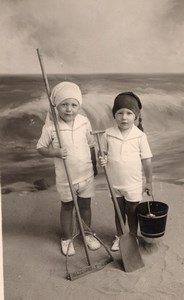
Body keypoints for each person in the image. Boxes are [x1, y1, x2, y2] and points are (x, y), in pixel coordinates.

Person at [37, 81, 101, 256]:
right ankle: (66, 238)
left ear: (79, 106)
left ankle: (87, 234)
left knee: (86, 206)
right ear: (56, 106)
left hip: (86, 174)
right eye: (64, 104)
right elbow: (40, 148)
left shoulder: (84, 122)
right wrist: (55, 152)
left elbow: (91, 144)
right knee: (67, 206)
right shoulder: (51, 126)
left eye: (74, 105)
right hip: (66, 177)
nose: (69, 109)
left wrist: (94, 165)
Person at [98, 92, 153, 251]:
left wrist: (148, 181)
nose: (124, 117)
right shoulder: (107, 134)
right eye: (119, 113)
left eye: (129, 113)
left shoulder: (140, 136)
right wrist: (102, 159)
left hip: (133, 183)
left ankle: (133, 236)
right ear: (114, 115)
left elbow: (146, 160)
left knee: (132, 211)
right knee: (119, 211)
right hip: (115, 182)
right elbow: (103, 154)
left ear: (136, 116)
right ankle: (120, 237)